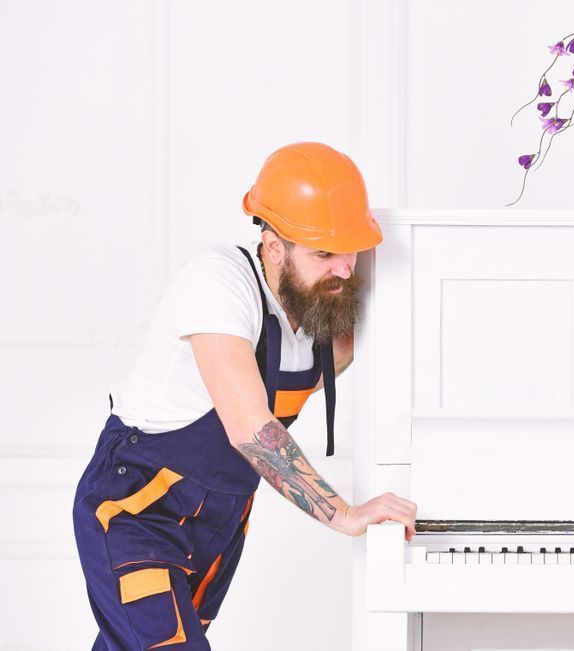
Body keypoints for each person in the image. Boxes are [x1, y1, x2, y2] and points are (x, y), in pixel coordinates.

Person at [72, 142, 417, 650]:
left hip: (217, 523)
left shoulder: (319, 309)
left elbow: (322, 369)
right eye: (325, 254)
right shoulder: (219, 282)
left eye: (350, 250)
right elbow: (250, 428)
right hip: (137, 511)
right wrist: (345, 514)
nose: (345, 269)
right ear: (274, 246)